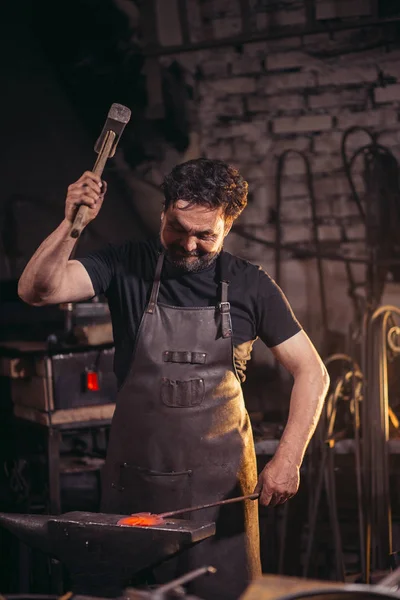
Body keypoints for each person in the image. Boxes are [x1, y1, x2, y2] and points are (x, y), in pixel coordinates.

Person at [18, 158, 329, 600]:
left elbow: (312, 372)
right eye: (177, 228)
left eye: (206, 235)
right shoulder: (125, 264)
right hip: (134, 485)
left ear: (229, 226)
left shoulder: (250, 285)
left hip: (219, 496)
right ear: (163, 212)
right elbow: (37, 290)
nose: (188, 245)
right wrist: (73, 224)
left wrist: (288, 458)